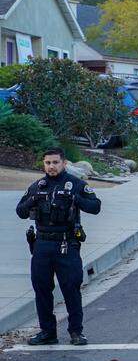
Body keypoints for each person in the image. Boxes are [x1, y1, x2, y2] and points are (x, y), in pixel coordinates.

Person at [16, 147, 102, 346]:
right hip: (42, 244)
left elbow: (95, 207)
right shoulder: (38, 186)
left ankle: (76, 332)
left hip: (66, 243)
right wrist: (32, 200)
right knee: (42, 289)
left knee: (71, 287)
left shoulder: (76, 185)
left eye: (55, 162)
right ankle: (47, 332)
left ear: (64, 163)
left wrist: (75, 198)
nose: (51, 166)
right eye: (48, 163)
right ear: (43, 165)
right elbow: (20, 212)